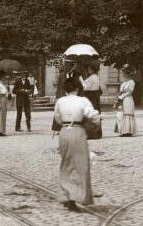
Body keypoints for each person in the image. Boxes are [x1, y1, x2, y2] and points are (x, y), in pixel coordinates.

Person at [53, 74, 100, 211]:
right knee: (81, 164)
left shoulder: (60, 101)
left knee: (66, 163)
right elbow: (93, 115)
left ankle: (65, 195)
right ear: (78, 88)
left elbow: (57, 118)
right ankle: (78, 195)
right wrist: (96, 121)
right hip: (77, 131)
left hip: (64, 132)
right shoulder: (83, 101)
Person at [81, 61, 104, 139]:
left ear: (91, 69)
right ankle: (97, 133)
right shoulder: (96, 77)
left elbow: (85, 87)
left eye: (88, 68)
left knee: (90, 114)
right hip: (95, 97)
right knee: (95, 113)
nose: (88, 70)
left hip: (90, 97)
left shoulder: (92, 77)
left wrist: (81, 81)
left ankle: (92, 133)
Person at [116, 65, 137, 137]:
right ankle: (123, 131)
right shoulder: (123, 83)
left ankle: (129, 131)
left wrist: (122, 97)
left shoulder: (131, 82)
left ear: (127, 74)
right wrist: (118, 99)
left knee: (128, 114)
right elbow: (120, 92)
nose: (123, 75)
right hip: (123, 100)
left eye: (124, 73)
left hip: (128, 99)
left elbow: (129, 92)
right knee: (122, 114)